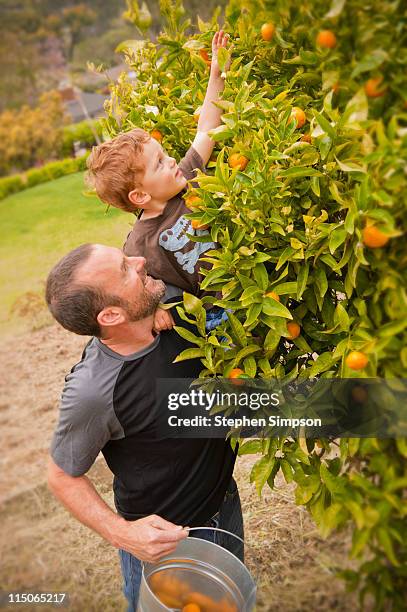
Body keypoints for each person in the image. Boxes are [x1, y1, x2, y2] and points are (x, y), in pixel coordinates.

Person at [45, 243, 243, 611]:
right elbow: (61, 476)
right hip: (168, 545)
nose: (140, 261)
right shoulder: (94, 391)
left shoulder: (173, 309)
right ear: (111, 316)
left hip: (225, 505)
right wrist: (122, 534)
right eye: (124, 269)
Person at [86, 31, 232, 334]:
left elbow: (206, 128)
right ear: (139, 195)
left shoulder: (186, 176)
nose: (171, 162)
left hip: (247, 281)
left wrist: (216, 73)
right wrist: (156, 310)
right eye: (159, 163)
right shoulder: (139, 244)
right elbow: (131, 288)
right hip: (215, 315)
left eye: (165, 155)